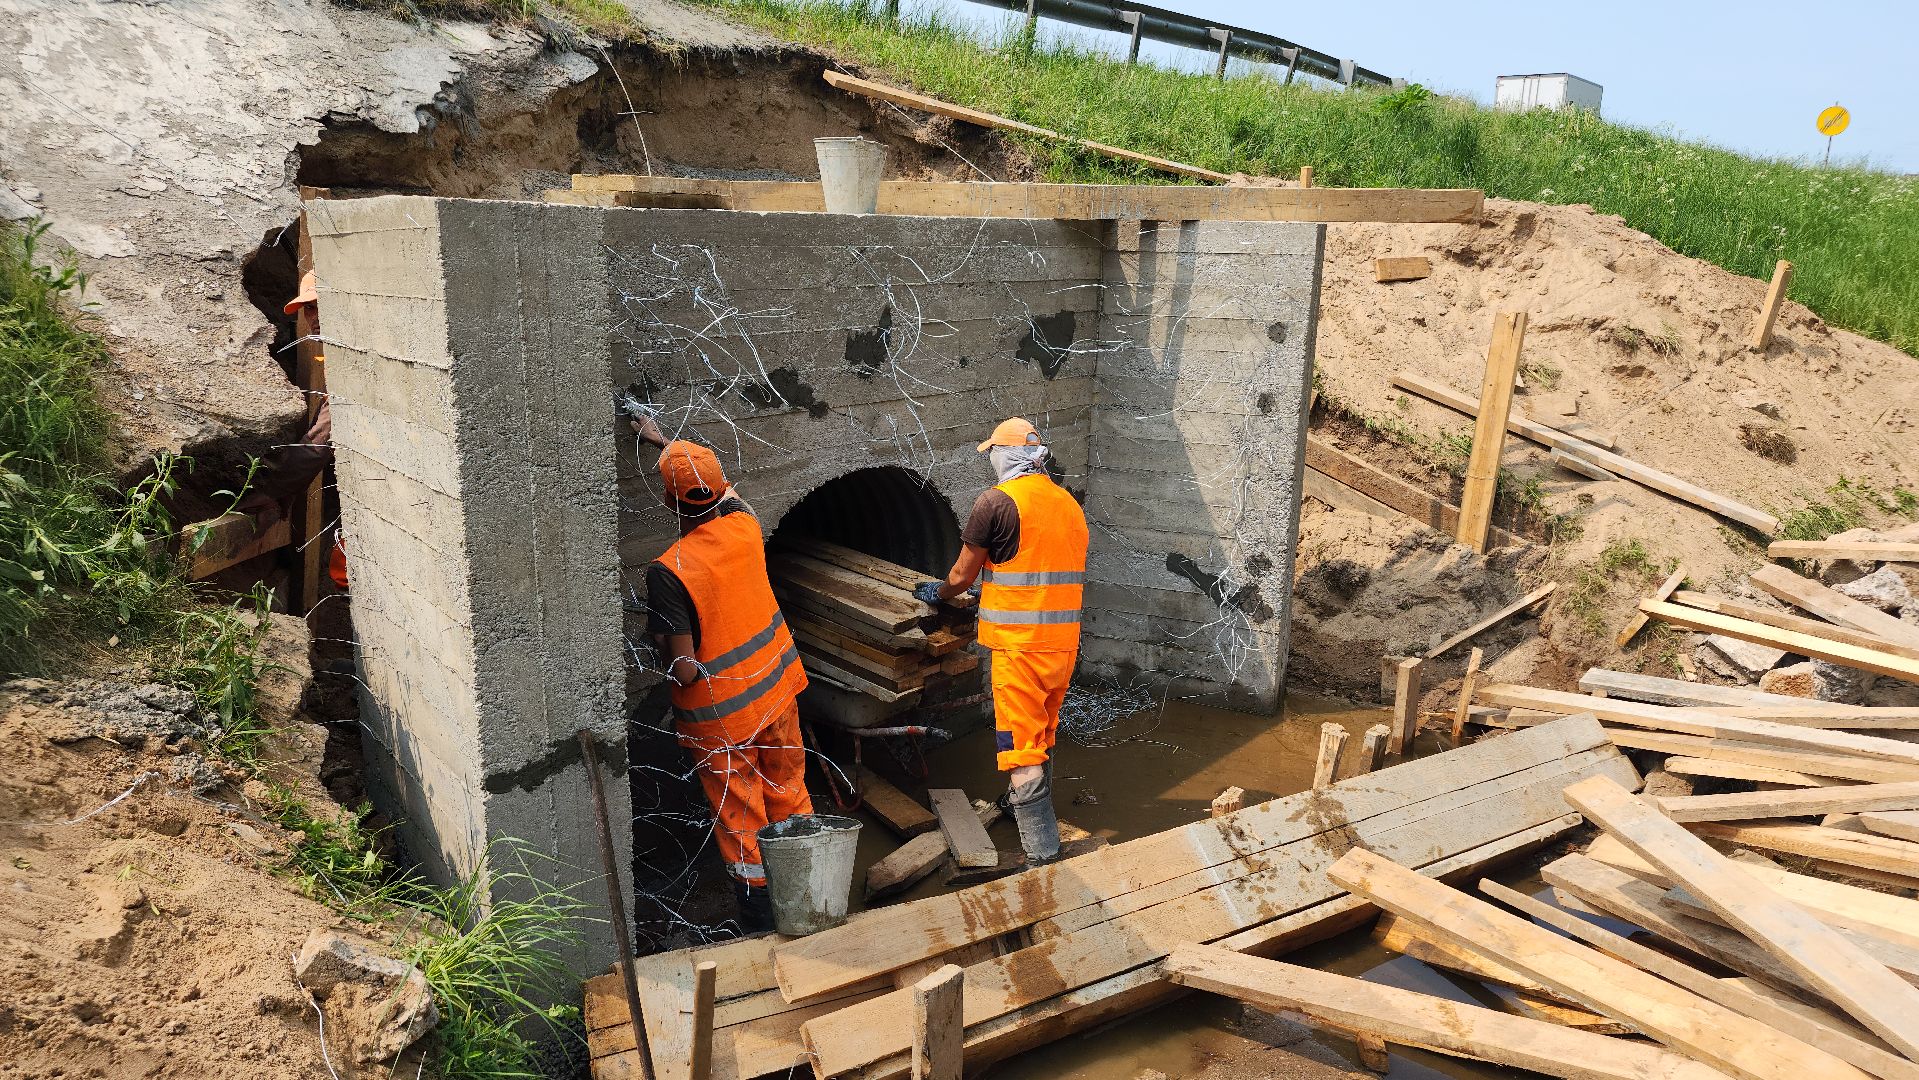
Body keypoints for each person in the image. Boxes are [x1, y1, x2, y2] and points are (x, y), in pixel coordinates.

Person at [634, 417, 811, 931]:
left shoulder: (670, 570)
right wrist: (669, 442)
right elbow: (723, 491)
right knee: (788, 790)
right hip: (776, 695)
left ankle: (761, 922)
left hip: (723, 722)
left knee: (742, 819)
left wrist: (656, 645)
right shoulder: (746, 526)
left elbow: (686, 670)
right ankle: (807, 893)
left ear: (667, 502)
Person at [915, 418, 1087, 866]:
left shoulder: (996, 502)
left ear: (1003, 457)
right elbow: (1037, 567)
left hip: (1019, 648)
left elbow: (961, 574)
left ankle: (1042, 857)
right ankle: (1016, 806)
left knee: (1019, 748)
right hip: (1062, 644)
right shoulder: (1067, 502)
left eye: (991, 453)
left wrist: (939, 592)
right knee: (1041, 730)